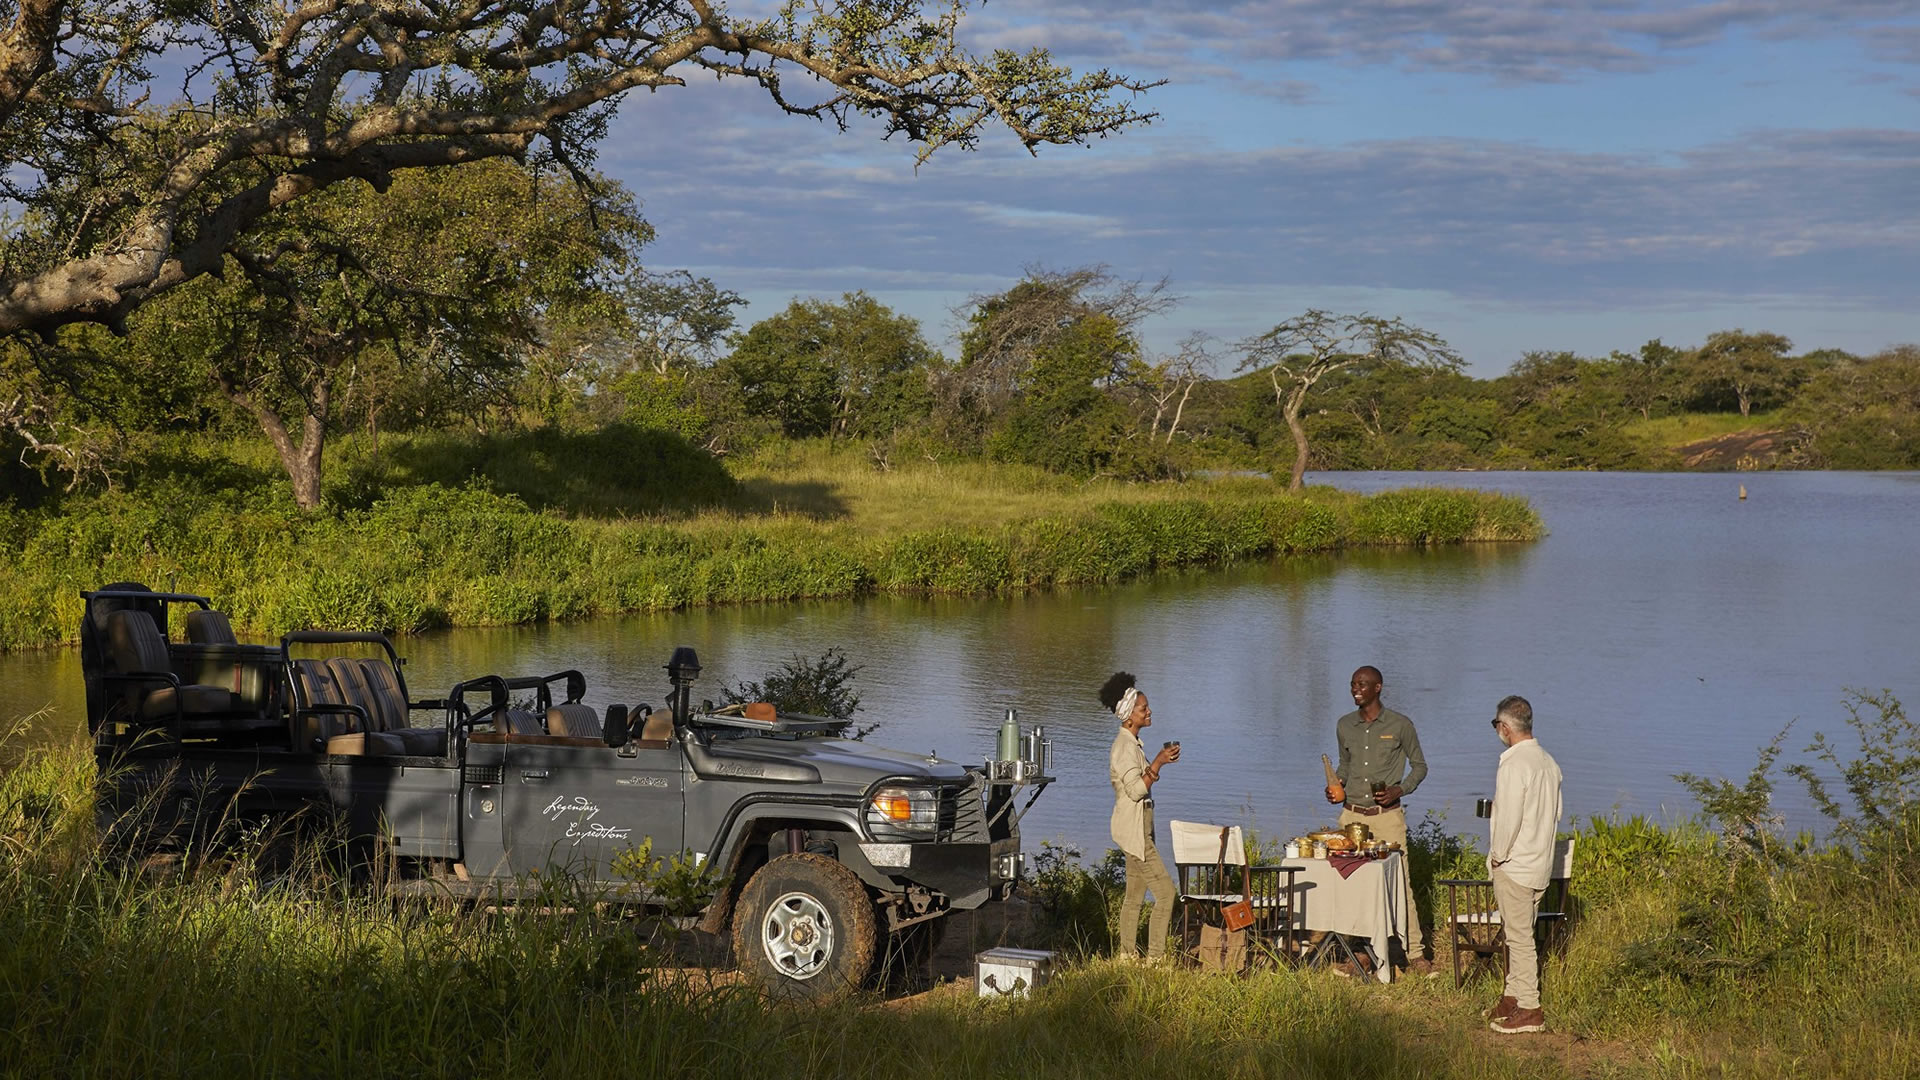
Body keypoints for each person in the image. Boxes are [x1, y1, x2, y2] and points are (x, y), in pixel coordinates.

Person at [1323, 664, 1436, 976]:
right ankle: (1359, 953)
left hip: (1387, 819)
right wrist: (1336, 785)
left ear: (1378, 687)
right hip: (1351, 817)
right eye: (1352, 684)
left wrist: (1400, 789)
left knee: (1400, 883)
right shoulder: (1344, 725)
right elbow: (1345, 766)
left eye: (1362, 684)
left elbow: (1420, 766)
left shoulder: (1400, 725)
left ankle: (1415, 953)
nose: (1355, 689)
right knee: (1351, 883)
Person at [1484, 694, 1564, 1034]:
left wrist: (1497, 856)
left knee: (1518, 938)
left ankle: (1530, 1007)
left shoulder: (1514, 764)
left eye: (1496, 725)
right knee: (1520, 932)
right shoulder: (1548, 762)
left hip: (1516, 863)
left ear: (1505, 727)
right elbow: (1556, 814)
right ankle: (1512, 996)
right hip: (1539, 863)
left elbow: (1508, 818)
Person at [1102, 671, 1180, 962]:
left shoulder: (1131, 743)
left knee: (1134, 896)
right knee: (1166, 894)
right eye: (1143, 708)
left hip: (1135, 828)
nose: (1149, 712)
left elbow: (1138, 784)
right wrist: (1158, 762)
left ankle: (1127, 956)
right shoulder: (1124, 747)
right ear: (1128, 715)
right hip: (1135, 831)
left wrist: (1158, 761)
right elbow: (1135, 791)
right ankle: (1156, 959)